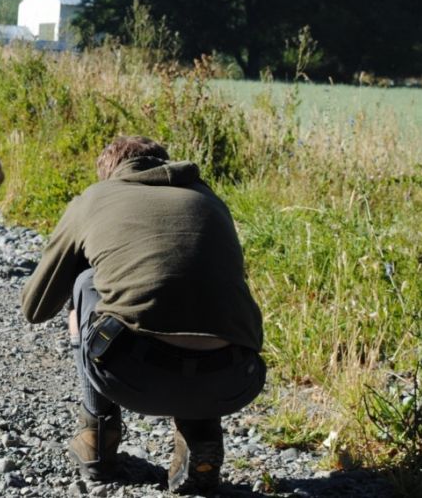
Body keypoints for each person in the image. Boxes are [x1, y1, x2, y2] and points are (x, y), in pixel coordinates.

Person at [21, 136, 265, 494]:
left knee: (86, 281)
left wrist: (90, 262)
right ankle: (201, 438)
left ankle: (98, 440)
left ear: (111, 173)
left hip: (131, 372)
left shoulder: (95, 198)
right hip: (234, 377)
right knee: (199, 294)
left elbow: (35, 307)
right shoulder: (211, 200)